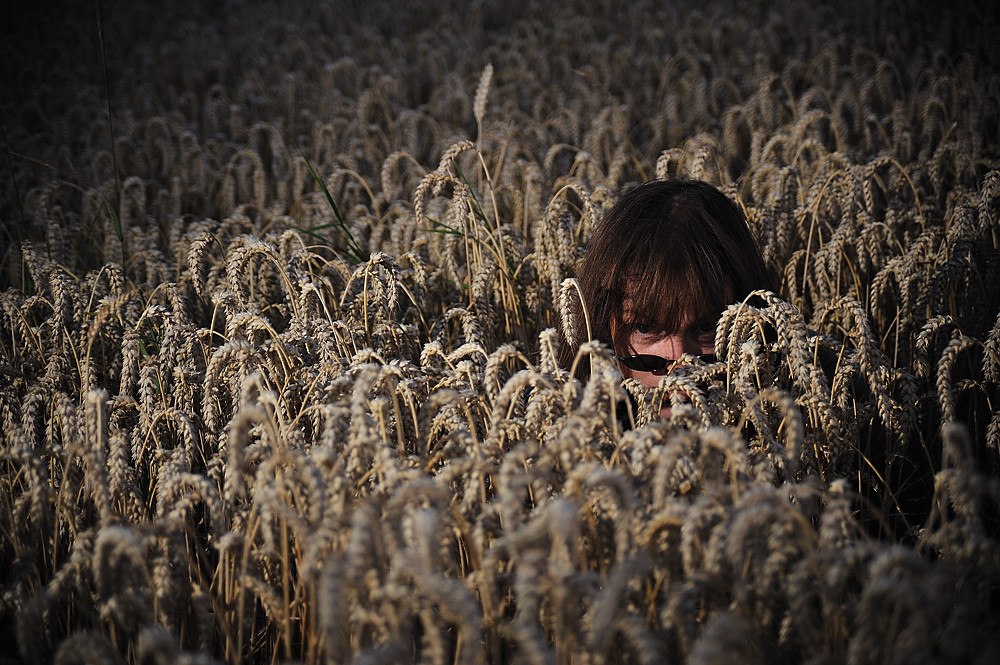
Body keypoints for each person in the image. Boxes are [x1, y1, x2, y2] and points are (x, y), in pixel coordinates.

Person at [567, 178, 773, 417]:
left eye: (707, 327)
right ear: (602, 326)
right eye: (645, 327)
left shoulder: (817, 395)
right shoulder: (550, 434)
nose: (678, 366)